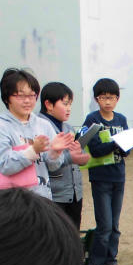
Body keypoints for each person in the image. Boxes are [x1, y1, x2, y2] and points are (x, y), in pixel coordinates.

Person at [0, 68, 75, 203]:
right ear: (7, 98)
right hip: (10, 202)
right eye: (20, 96)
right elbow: (5, 165)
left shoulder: (43, 125)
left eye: (32, 95)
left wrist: (55, 152)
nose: (27, 101)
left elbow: (53, 166)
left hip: (42, 199)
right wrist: (33, 150)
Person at [83, 77, 130, 265]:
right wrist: (116, 143)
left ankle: (111, 260)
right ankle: (95, 263)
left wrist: (126, 144)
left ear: (117, 99)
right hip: (100, 178)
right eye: (103, 98)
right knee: (105, 225)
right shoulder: (92, 120)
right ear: (97, 99)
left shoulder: (121, 120)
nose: (107, 102)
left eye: (111, 98)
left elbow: (127, 149)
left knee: (115, 225)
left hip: (118, 176)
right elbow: (95, 149)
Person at [37, 81, 90, 231]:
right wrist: (71, 158)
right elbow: (46, 162)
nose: (69, 109)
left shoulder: (68, 127)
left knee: (72, 234)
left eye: (70, 104)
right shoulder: (39, 127)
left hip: (74, 193)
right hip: (54, 195)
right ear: (49, 105)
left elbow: (76, 155)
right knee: (56, 235)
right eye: (65, 104)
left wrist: (81, 155)